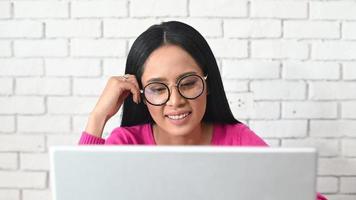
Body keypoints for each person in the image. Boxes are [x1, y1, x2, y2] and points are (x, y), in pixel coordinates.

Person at [78, 21, 327, 200]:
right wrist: (97, 117)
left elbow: (300, 194)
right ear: (140, 94)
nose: (175, 101)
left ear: (207, 85)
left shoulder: (239, 141)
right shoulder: (126, 144)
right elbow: (80, 193)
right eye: (157, 88)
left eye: (188, 83)